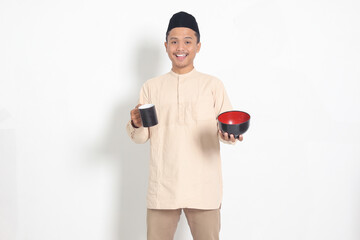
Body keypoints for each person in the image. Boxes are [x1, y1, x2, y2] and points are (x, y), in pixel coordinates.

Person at [126, 11, 243, 240]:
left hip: (203, 189)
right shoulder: (152, 87)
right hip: (163, 190)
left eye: (188, 41)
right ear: (166, 45)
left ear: (198, 46)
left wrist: (229, 136)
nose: (181, 47)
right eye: (174, 41)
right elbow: (140, 137)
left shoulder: (212, 85)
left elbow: (225, 128)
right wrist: (135, 123)